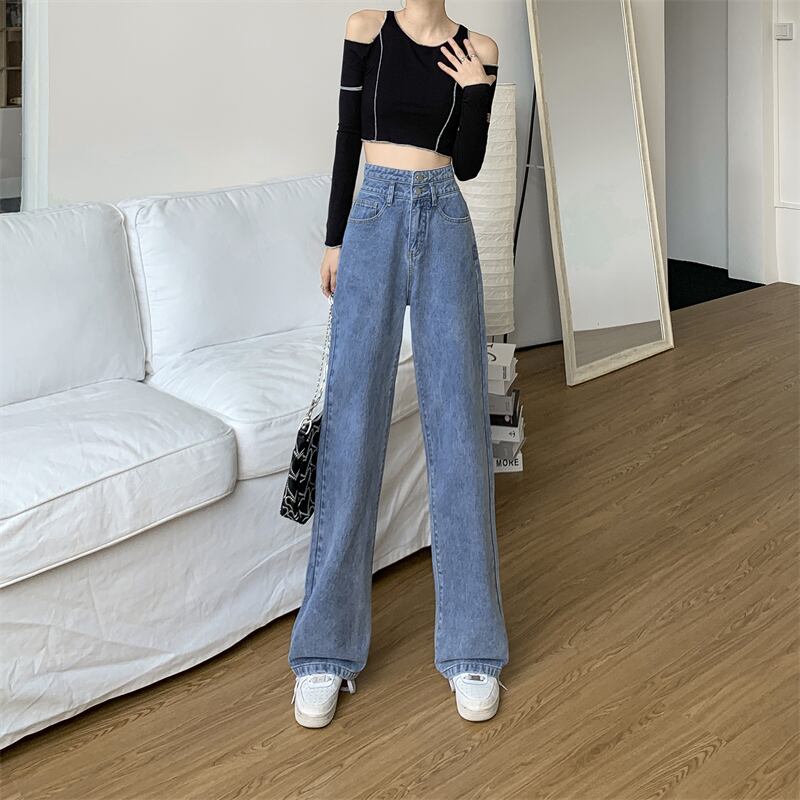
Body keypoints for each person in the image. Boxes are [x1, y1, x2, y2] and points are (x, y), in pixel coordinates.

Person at [288, 1, 509, 727]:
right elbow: (347, 135)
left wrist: (475, 91)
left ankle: (473, 649)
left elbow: (468, 163)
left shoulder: (480, 47)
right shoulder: (365, 30)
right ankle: (325, 654)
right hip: (375, 216)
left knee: (460, 428)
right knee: (352, 425)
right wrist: (334, 239)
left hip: (444, 218)